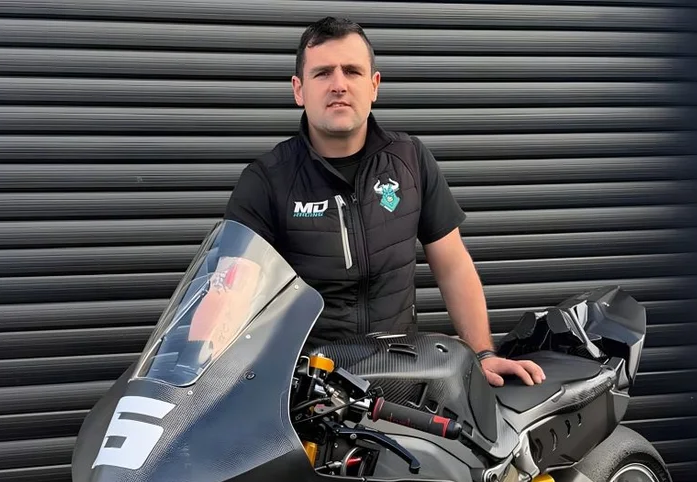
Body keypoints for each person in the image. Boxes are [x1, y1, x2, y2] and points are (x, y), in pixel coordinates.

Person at [223, 16, 544, 388]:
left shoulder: (410, 160)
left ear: (373, 85)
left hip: (399, 380)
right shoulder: (267, 179)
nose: (339, 84)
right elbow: (229, 289)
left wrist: (483, 353)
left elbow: (452, 265)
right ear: (299, 90)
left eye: (352, 71)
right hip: (308, 390)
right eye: (323, 73)